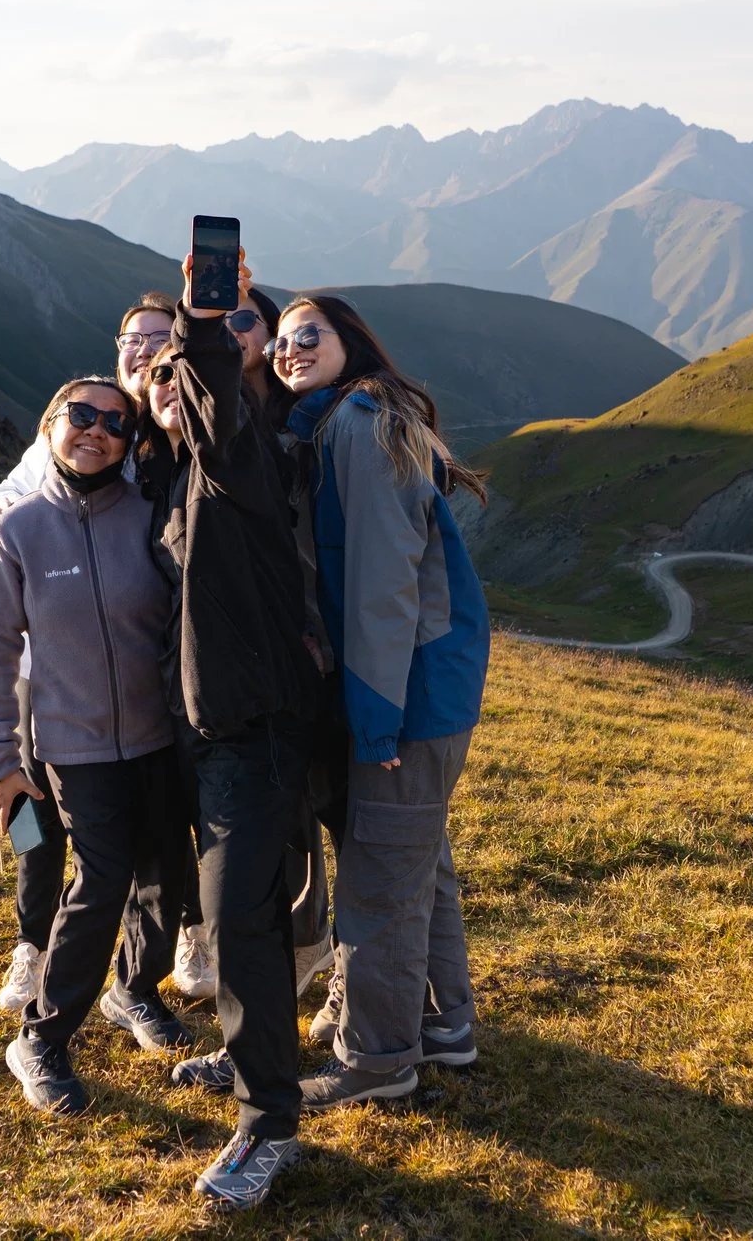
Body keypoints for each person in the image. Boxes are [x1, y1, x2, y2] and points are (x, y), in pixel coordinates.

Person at [272, 293, 490, 1110]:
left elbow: (380, 590)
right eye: (282, 342)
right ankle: (445, 1025)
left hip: (407, 696)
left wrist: (375, 723)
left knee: (376, 882)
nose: (290, 349)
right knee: (418, 863)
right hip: (431, 689)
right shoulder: (355, 420)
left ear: (350, 342)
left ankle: (378, 1059)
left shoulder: (358, 428)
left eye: (309, 335)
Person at [146, 255, 323, 1210]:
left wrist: (206, 321)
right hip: (200, 731)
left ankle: (268, 1127)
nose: (184, 385)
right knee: (223, 913)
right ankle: (254, 1061)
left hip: (252, 732)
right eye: (165, 377)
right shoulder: (174, 478)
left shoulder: (247, 461)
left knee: (240, 920)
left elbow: (215, 403)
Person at [0, 377, 192, 1116]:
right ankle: (41, 1037)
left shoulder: (151, 517)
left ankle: (132, 990)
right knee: (101, 882)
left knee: (168, 875)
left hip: (160, 735)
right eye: (81, 416)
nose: (95, 430)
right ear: (51, 425)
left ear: (130, 442)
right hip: (75, 745)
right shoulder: (17, 530)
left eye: (113, 422)